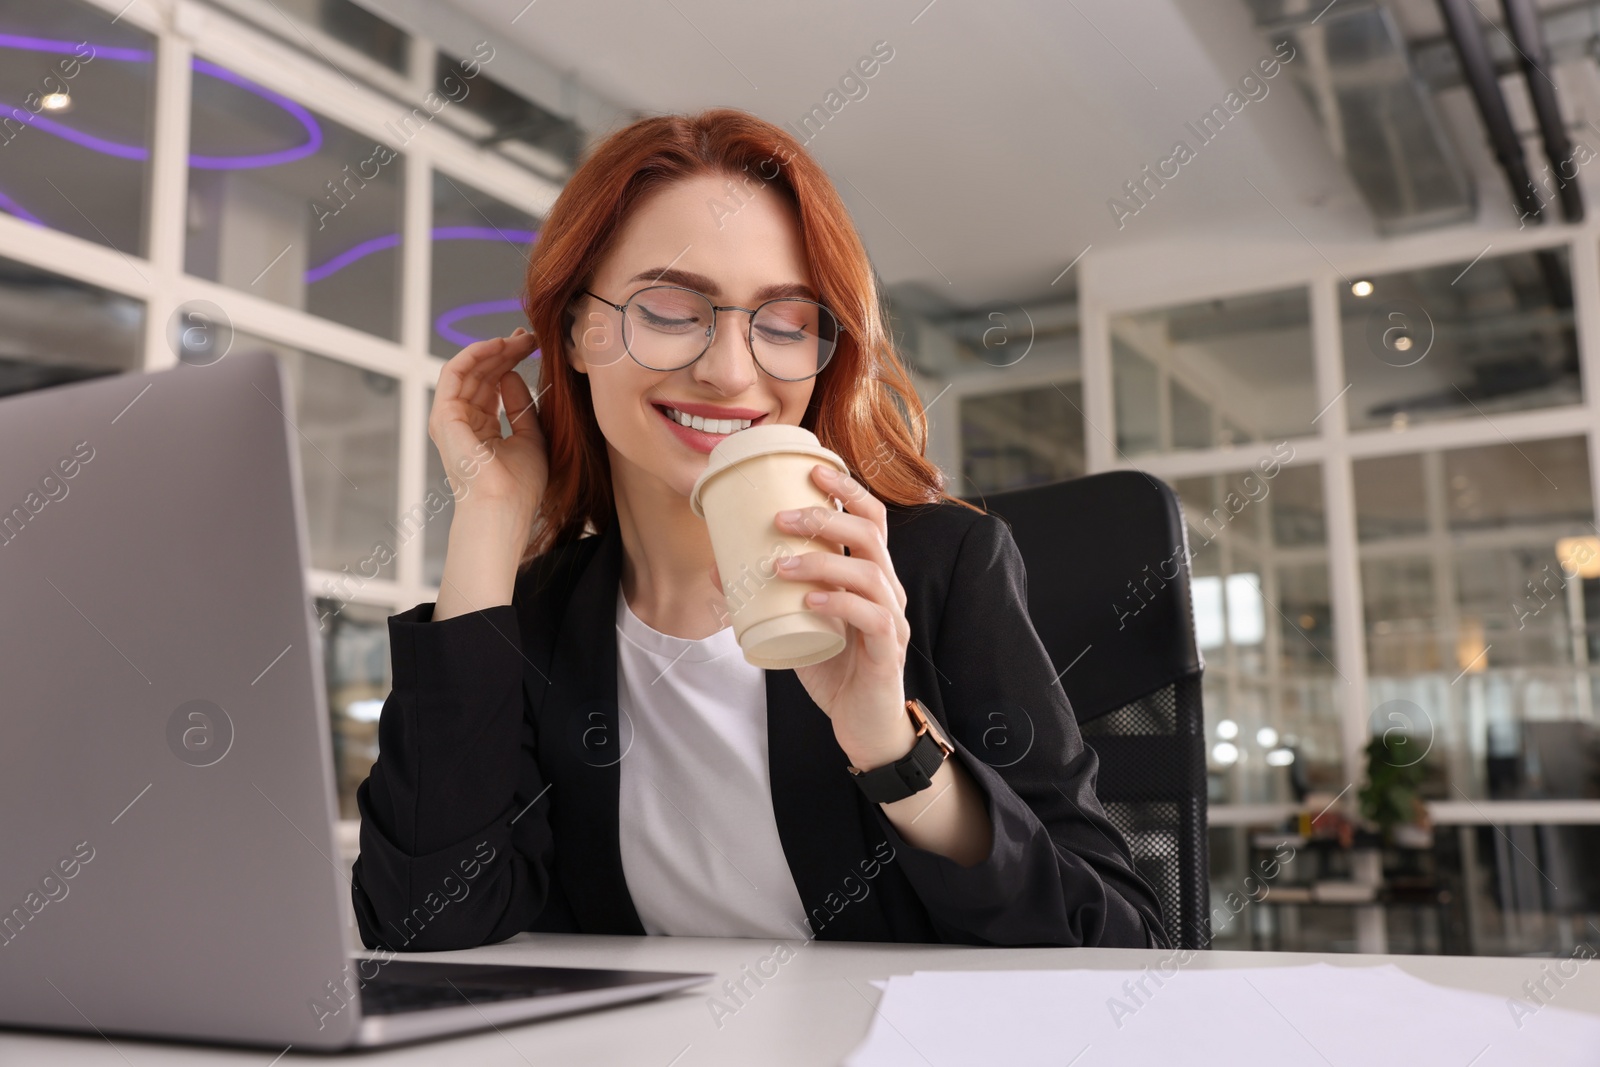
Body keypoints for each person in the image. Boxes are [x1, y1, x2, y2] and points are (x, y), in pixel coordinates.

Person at [351, 107, 1167, 951]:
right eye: (670, 308)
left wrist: (893, 748)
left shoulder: (935, 571)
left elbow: (1116, 941)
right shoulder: (534, 622)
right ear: (577, 332)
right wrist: (488, 513)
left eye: (783, 323)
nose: (731, 370)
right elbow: (422, 918)